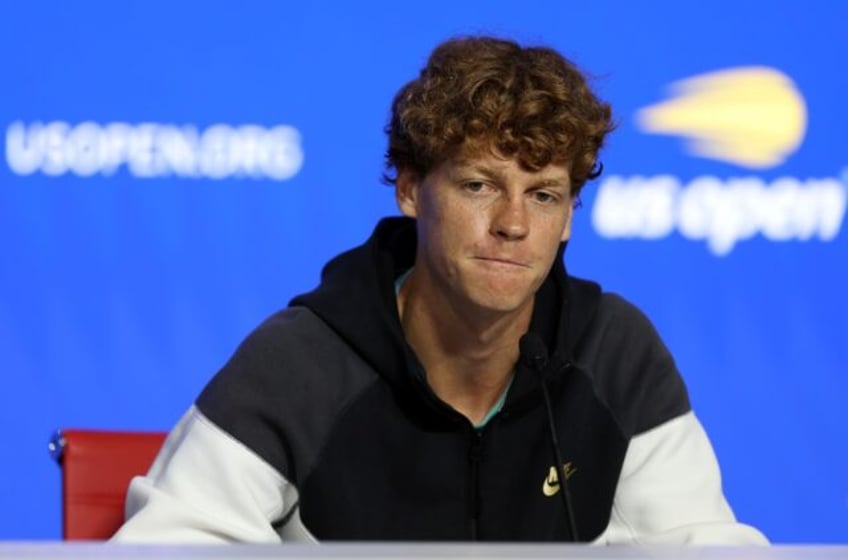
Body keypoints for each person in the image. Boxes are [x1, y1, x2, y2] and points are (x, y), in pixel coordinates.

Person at [113, 35, 767, 544]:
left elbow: (705, 546)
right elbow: (168, 545)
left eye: (543, 195)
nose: (513, 223)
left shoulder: (614, 354)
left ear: (569, 218)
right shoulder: (301, 362)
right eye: (478, 185)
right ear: (409, 188)